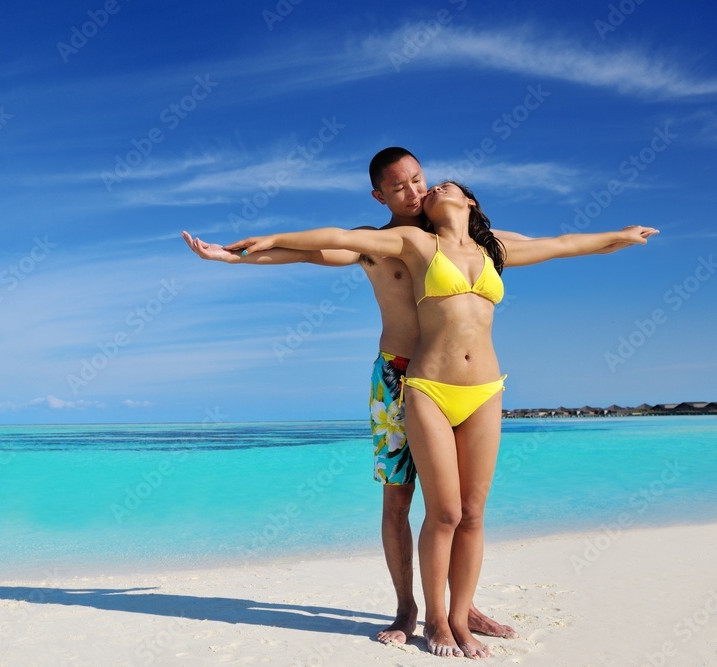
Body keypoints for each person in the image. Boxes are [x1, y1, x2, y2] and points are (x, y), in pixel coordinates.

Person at [223, 181, 657, 658]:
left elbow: (563, 244)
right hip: (427, 386)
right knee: (444, 512)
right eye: (422, 189)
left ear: (470, 201)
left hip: (486, 390)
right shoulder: (415, 242)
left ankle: (460, 616)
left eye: (441, 184)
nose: (429, 189)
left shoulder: (495, 247)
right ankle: (432, 617)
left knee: (473, 513)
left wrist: (621, 235)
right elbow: (337, 239)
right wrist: (268, 239)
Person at [184, 147, 528, 646]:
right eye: (398, 187)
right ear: (379, 195)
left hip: (456, 380)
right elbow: (312, 251)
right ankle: (407, 609)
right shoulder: (376, 243)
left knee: (456, 506)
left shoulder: (456, 238)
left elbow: (538, 246)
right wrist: (233, 256)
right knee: (399, 499)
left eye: (417, 180)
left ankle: (462, 607)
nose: (413, 192)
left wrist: (614, 240)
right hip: (396, 376)